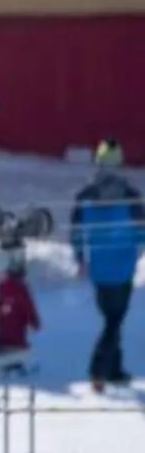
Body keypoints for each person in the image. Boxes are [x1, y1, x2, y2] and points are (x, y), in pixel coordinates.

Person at [72, 140, 144, 389]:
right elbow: (141, 231)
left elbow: (76, 232)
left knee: (112, 318)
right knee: (114, 321)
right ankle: (98, 370)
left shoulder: (84, 197)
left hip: (99, 267)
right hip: (123, 265)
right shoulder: (131, 196)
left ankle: (114, 369)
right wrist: (137, 251)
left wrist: (80, 257)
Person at [0, 252, 41, 360]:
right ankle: (16, 363)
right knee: (16, 345)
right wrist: (35, 322)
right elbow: (28, 307)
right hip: (16, 335)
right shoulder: (21, 289)